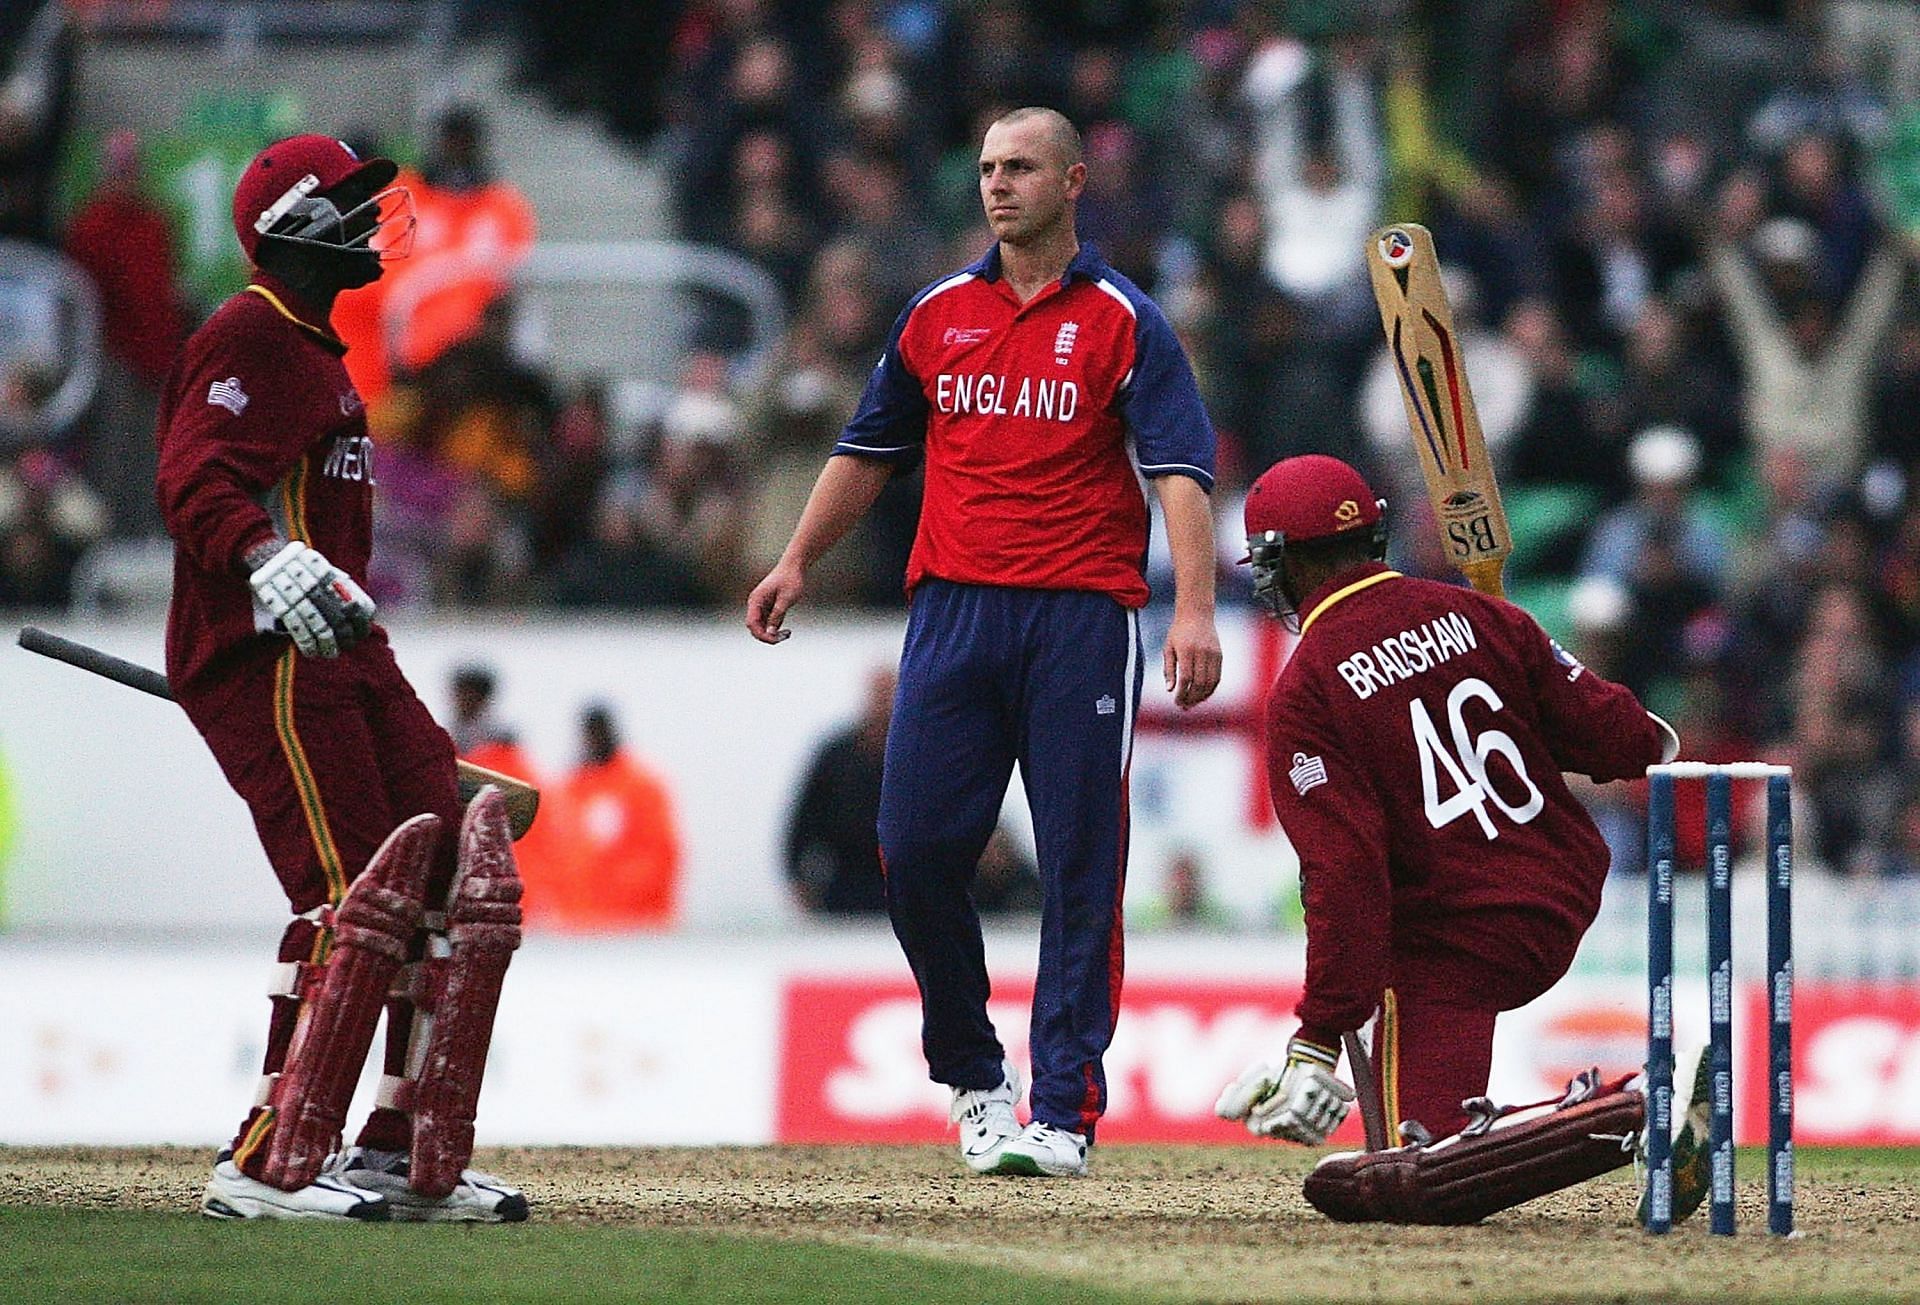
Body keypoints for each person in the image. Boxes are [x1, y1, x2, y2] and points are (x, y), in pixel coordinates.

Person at [748, 106, 1223, 1179]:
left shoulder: (1123, 320)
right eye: (986, 169)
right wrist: (795, 561)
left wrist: (1192, 609)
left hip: (1082, 619)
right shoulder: (935, 315)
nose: (999, 185)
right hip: (953, 612)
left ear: (1073, 181)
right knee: (911, 849)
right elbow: (868, 450)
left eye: (1020, 168)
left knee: (1078, 866)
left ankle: (1063, 1109)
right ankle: (976, 1080)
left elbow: (1180, 472)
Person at [155, 134, 525, 1223]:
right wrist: (264, 560)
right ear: (299, 226)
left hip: (346, 653)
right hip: (271, 659)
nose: (374, 221)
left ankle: (402, 1155)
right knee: (345, 900)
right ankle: (267, 1163)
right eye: (352, 204)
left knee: (461, 883)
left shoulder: (316, 350)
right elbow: (192, 480)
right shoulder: (251, 334)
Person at [1213, 454, 1690, 1226]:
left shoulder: (1307, 689)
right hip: (1561, 889)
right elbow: (1628, 740)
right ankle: (1512, 1123)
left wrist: (1317, 1034)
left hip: (1452, 942)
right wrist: (1516, 654)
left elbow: (1344, 874)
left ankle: (1613, 1110)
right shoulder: (1485, 614)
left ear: (1283, 561)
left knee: (1414, 1171)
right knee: (1407, 1149)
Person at [535, 703, 683, 931]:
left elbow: (661, 853)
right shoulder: (570, 789)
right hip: (577, 924)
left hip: (635, 925)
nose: (593, 740)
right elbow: (553, 852)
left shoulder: (642, 786)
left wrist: (620, 895)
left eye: (599, 732)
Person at [784, 667, 894, 915]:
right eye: (880, 694)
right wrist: (798, 877)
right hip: (845, 883)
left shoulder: (920, 754)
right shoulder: (836, 756)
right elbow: (804, 819)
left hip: (905, 882)